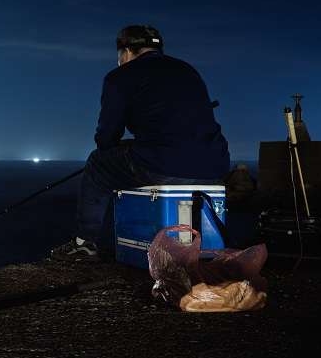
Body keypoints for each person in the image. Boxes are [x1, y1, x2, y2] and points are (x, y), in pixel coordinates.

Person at [51, 25, 230, 261]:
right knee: (136, 152)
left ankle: (84, 243)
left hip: (165, 164)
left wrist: (116, 146)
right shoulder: (187, 70)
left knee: (97, 163)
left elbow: (107, 137)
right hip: (215, 164)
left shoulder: (120, 76)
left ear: (125, 51)